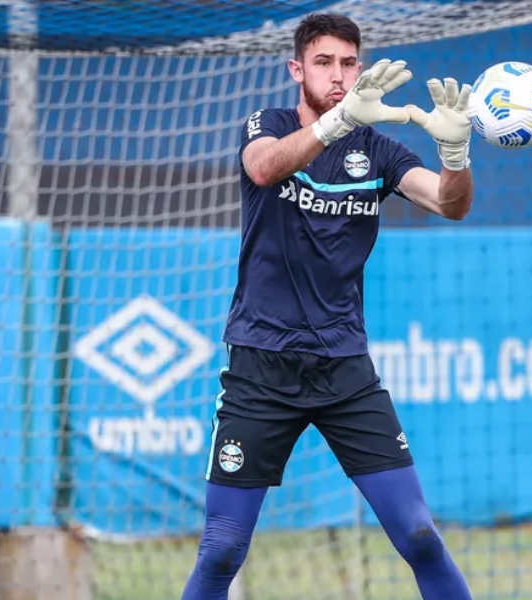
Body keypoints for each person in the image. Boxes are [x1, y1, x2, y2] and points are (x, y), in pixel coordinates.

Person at [181, 12, 475, 600]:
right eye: (323, 63)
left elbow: (450, 204)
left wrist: (456, 153)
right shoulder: (267, 124)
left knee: (419, 535)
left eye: (347, 64)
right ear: (297, 69)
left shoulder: (381, 151)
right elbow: (264, 167)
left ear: (360, 68)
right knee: (222, 549)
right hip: (260, 366)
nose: (337, 75)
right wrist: (338, 121)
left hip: (343, 369)